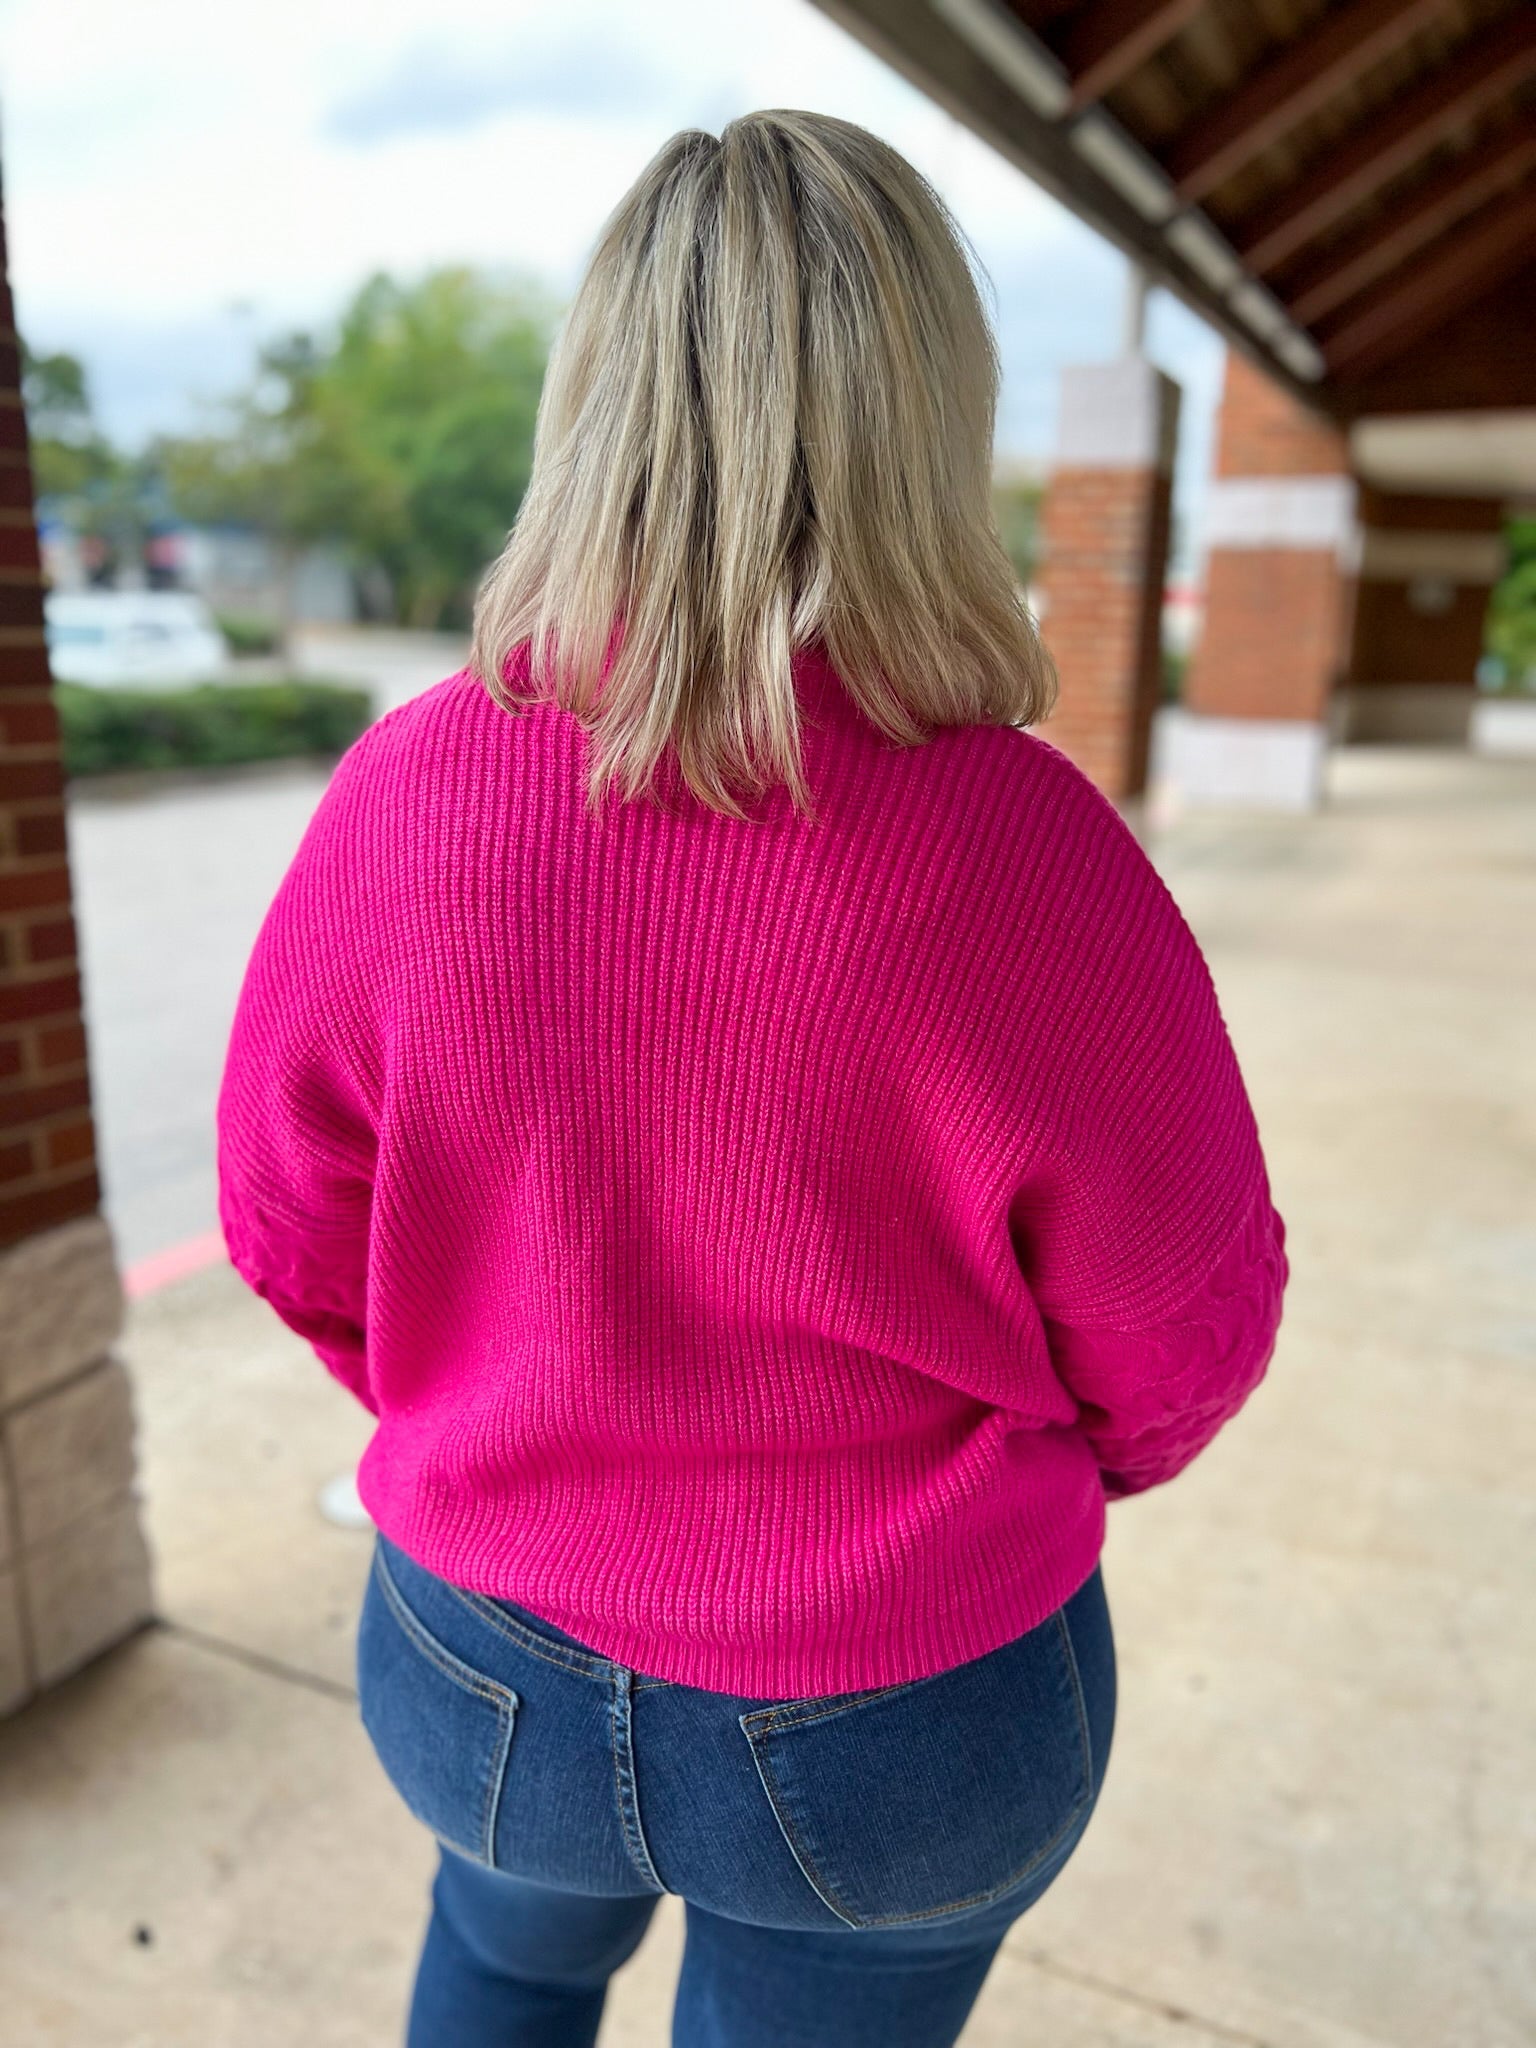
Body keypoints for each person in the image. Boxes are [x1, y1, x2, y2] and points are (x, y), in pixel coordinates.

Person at [216, 110, 1287, 2048]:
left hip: (486, 1658)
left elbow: (292, 1228)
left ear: (593, 398)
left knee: (499, 1961)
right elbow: (1181, 1328)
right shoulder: (1032, 853)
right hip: (907, 1706)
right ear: (922, 412)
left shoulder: (412, 793)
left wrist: (497, 1397)